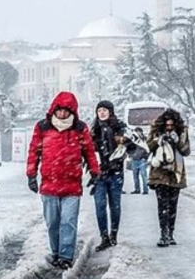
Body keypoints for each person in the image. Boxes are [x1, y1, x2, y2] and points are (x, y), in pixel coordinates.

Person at [26, 92, 100, 270]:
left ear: (71, 111)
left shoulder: (80, 128)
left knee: (68, 221)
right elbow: (34, 151)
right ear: (54, 110)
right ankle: (56, 252)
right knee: (52, 222)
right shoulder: (42, 127)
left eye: (65, 111)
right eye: (59, 111)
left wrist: (94, 172)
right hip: (49, 184)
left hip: (71, 184)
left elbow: (89, 152)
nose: (61, 114)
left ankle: (66, 256)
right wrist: (31, 174)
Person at [147, 108, 190, 247]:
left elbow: (186, 151)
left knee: (172, 205)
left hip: (175, 172)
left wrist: (177, 141)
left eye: (172, 125)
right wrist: (158, 141)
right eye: (167, 125)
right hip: (160, 173)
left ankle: (170, 233)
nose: (169, 128)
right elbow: (148, 147)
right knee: (162, 205)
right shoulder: (156, 131)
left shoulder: (182, 132)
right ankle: (163, 233)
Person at [91, 100, 128, 252]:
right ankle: (104, 236)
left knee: (115, 205)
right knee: (100, 206)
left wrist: (115, 162)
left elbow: (126, 148)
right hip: (99, 174)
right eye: (99, 110)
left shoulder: (119, 127)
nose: (102, 113)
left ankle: (113, 234)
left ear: (111, 111)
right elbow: (89, 150)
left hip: (115, 172)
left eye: (105, 110)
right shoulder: (94, 130)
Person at [128, 127, 150, 194]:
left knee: (144, 175)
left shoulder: (145, 140)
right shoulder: (132, 140)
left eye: (138, 131)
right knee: (135, 176)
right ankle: (137, 189)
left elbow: (149, 149)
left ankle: (145, 190)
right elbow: (129, 149)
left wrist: (145, 157)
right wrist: (131, 156)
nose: (137, 133)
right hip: (134, 160)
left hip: (142, 160)